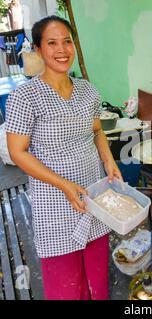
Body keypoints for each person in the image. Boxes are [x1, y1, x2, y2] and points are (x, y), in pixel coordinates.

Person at [5, 15, 123, 300]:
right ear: (38, 49)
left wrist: (108, 160)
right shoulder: (25, 97)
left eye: (67, 41)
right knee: (66, 287)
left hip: (93, 198)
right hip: (54, 202)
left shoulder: (88, 90)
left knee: (97, 279)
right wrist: (64, 185)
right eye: (52, 42)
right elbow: (17, 153)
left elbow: (97, 131)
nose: (62, 50)